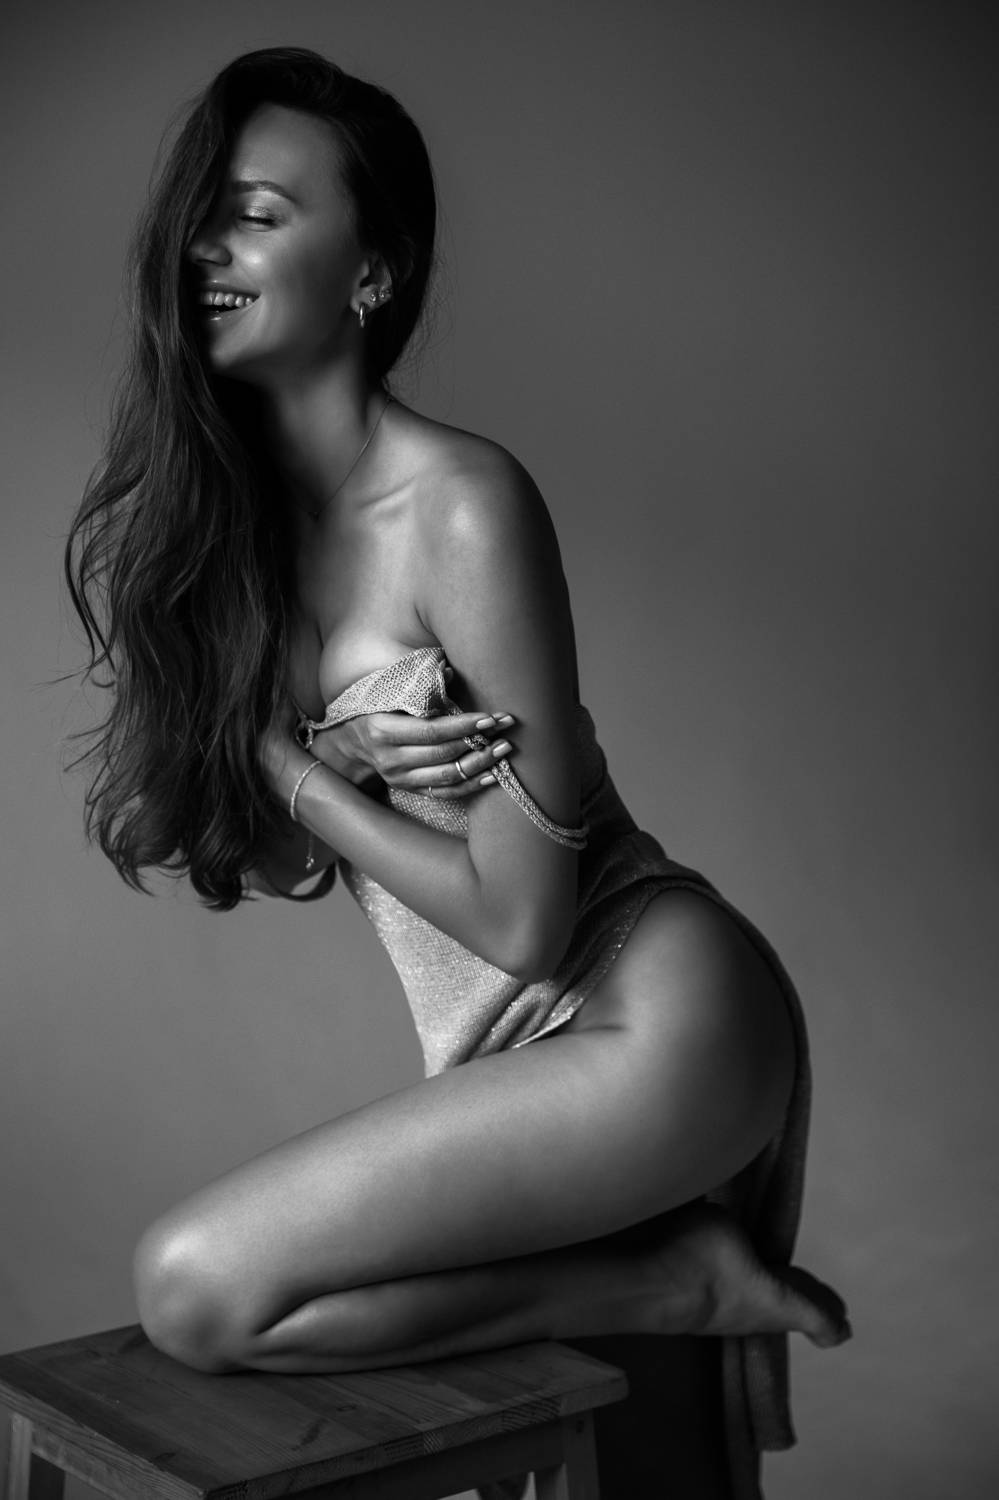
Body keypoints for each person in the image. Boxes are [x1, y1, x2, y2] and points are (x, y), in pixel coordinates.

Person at [65, 47, 849, 1500]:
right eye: (200, 217)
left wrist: (285, 760)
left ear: (373, 272)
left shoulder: (461, 506)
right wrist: (324, 759)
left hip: (645, 1007)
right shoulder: (237, 537)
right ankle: (661, 1283)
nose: (206, 249)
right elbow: (271, 859)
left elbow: (525, 923)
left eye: (255, 215)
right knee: (230, 1312)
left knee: (194, 1283)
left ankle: (673, 1284)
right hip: (517, 1046)